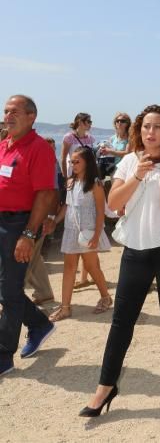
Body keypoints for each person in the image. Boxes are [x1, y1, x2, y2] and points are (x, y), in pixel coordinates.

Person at [80, 104, 160, 417]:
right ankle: (106, 385)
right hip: (137, 249)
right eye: (146, 127)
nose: (151, 132)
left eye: (157, 127)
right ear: (138, 131)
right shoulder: (130, 161)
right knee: (122, 319)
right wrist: (138, 175)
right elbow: (113, 203)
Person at [0, 95, 58, 377]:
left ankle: (3, 356)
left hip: (19, 224)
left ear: (31, 117)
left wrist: (28, 233)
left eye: (15, 112)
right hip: (1, 222)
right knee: (4, 289)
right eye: (6, 111)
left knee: (10, 291)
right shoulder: (3, 146)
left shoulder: (38, 148)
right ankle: (39, 324)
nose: (8, 116)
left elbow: (46, 193)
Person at [47, 146, 112, 321]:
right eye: (71, 161)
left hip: (88, 231)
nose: (73, 164)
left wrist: (97, 235)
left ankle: (105, 296)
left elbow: (100, 211)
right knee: (69, 267)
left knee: (91, 266)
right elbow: (67, 207)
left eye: (77, 161)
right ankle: (65, 307)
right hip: (71, 229)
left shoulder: (95, 184)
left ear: (87, 163)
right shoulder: (70, 182)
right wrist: (54, 221)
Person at [23, 137, 61, 306]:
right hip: (30, 215)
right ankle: (44, 293)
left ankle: (12, 297)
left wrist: (51, 217)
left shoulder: (42, 158)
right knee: (34, 256)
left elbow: (52, 191)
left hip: (35, 216)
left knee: (25, 256)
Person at [97, 112, 131, 180]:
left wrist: (110, 151)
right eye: (117, 121)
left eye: (122, 121)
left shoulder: (130, 138)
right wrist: (103, 150)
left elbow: (127, 154)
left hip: (125, 169)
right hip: (113, 169)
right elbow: (108, 152)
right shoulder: (112, 138)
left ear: (127, 123)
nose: (119, 123)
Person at [61, 113, 95, 179]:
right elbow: (63, 158)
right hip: (73, 174)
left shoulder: (90, 138)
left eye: (91, 122)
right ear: (80, 122)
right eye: (88, 122)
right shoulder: (69, 137)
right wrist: (65, 177)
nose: (90, 124)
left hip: (87, 174)